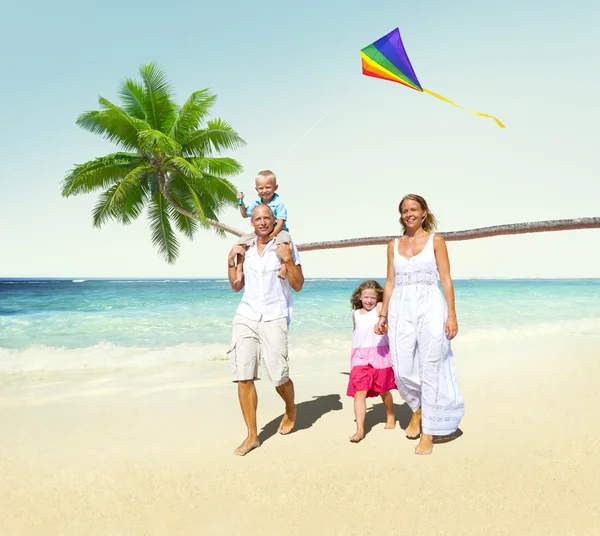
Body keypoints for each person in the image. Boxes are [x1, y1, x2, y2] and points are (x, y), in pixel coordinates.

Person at [375, 194, 465, 455]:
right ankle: (417, 408)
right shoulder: (393, 245)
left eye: (414, 209)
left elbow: (446, 279)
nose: (409, 214)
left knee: (430, 366)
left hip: (430, 306)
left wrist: (452, 314)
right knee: (401, 368)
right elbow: (390, 282)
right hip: (401, 307)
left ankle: (428, 431)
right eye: (405, 210)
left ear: (424, 212)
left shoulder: (436, 241)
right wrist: (383, 315)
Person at [227, 203, 304, 456]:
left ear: (274, 221)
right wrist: (230, 261)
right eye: (257, 218)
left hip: (274, 315)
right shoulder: (245, 248)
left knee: (279, 374)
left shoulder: (285, 246)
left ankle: (290, 407)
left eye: (266, 218)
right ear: (252, 222)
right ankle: (251, 436)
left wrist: (288, 260)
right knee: (243, 373)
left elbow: (298, 284)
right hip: (246, 315)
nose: (262, 222)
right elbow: (237, 286)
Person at [346, 280, 397, 443]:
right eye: (366, 297)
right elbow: (356, 332)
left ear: (378, 298)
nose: (369, 301)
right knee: (359, 391)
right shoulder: (355, 313)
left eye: (372, 298)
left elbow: (389, 327)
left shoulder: (380, 308)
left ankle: (390, 413)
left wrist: (384, 329)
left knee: (383, 390)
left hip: (379, 354)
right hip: (359, 356)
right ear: (359, 297)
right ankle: (360, 429)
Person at [235, 170, 291, 285]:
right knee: (241, 242)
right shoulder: (256, 202)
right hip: (260, 232)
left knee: (285, 241)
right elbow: (245, 214)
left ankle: (284, 268)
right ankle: (239, 270)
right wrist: (240, 202)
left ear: (275, 187)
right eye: (261, 188)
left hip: (278, 230)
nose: (264, 191)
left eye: (268, 187)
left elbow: (280, 222)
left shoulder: (279, 203)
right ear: (256, 189)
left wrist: (270, 236)